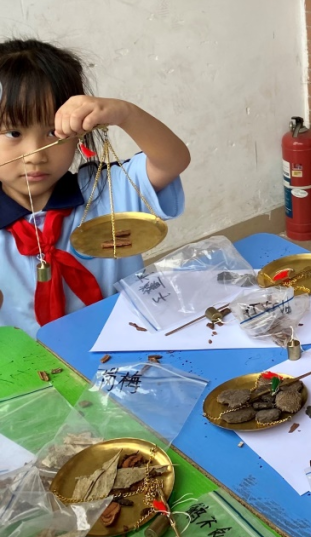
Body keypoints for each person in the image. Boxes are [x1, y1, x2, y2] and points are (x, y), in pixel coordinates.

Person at [0, 39, 189, 336]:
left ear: (79, 134)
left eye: (53, 132)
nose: (35, 155)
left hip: (126, 339)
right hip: (26, 359)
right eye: (13, 133)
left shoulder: (105, 191)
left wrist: (126, 114)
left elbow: (172, 161)